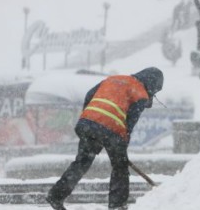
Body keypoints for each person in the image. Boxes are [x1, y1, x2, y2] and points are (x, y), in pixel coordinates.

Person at [46, 67, 164, 210]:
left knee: (82, 162)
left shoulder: (113, 79)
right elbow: (130, 122)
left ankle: (56, 196)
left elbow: (89, 95)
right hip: (111, 129)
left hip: (87, 123)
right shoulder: (140, 93)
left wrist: (89, 119)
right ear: (152, 85)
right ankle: (117, 205)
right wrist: (122, 147)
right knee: (120, 167)